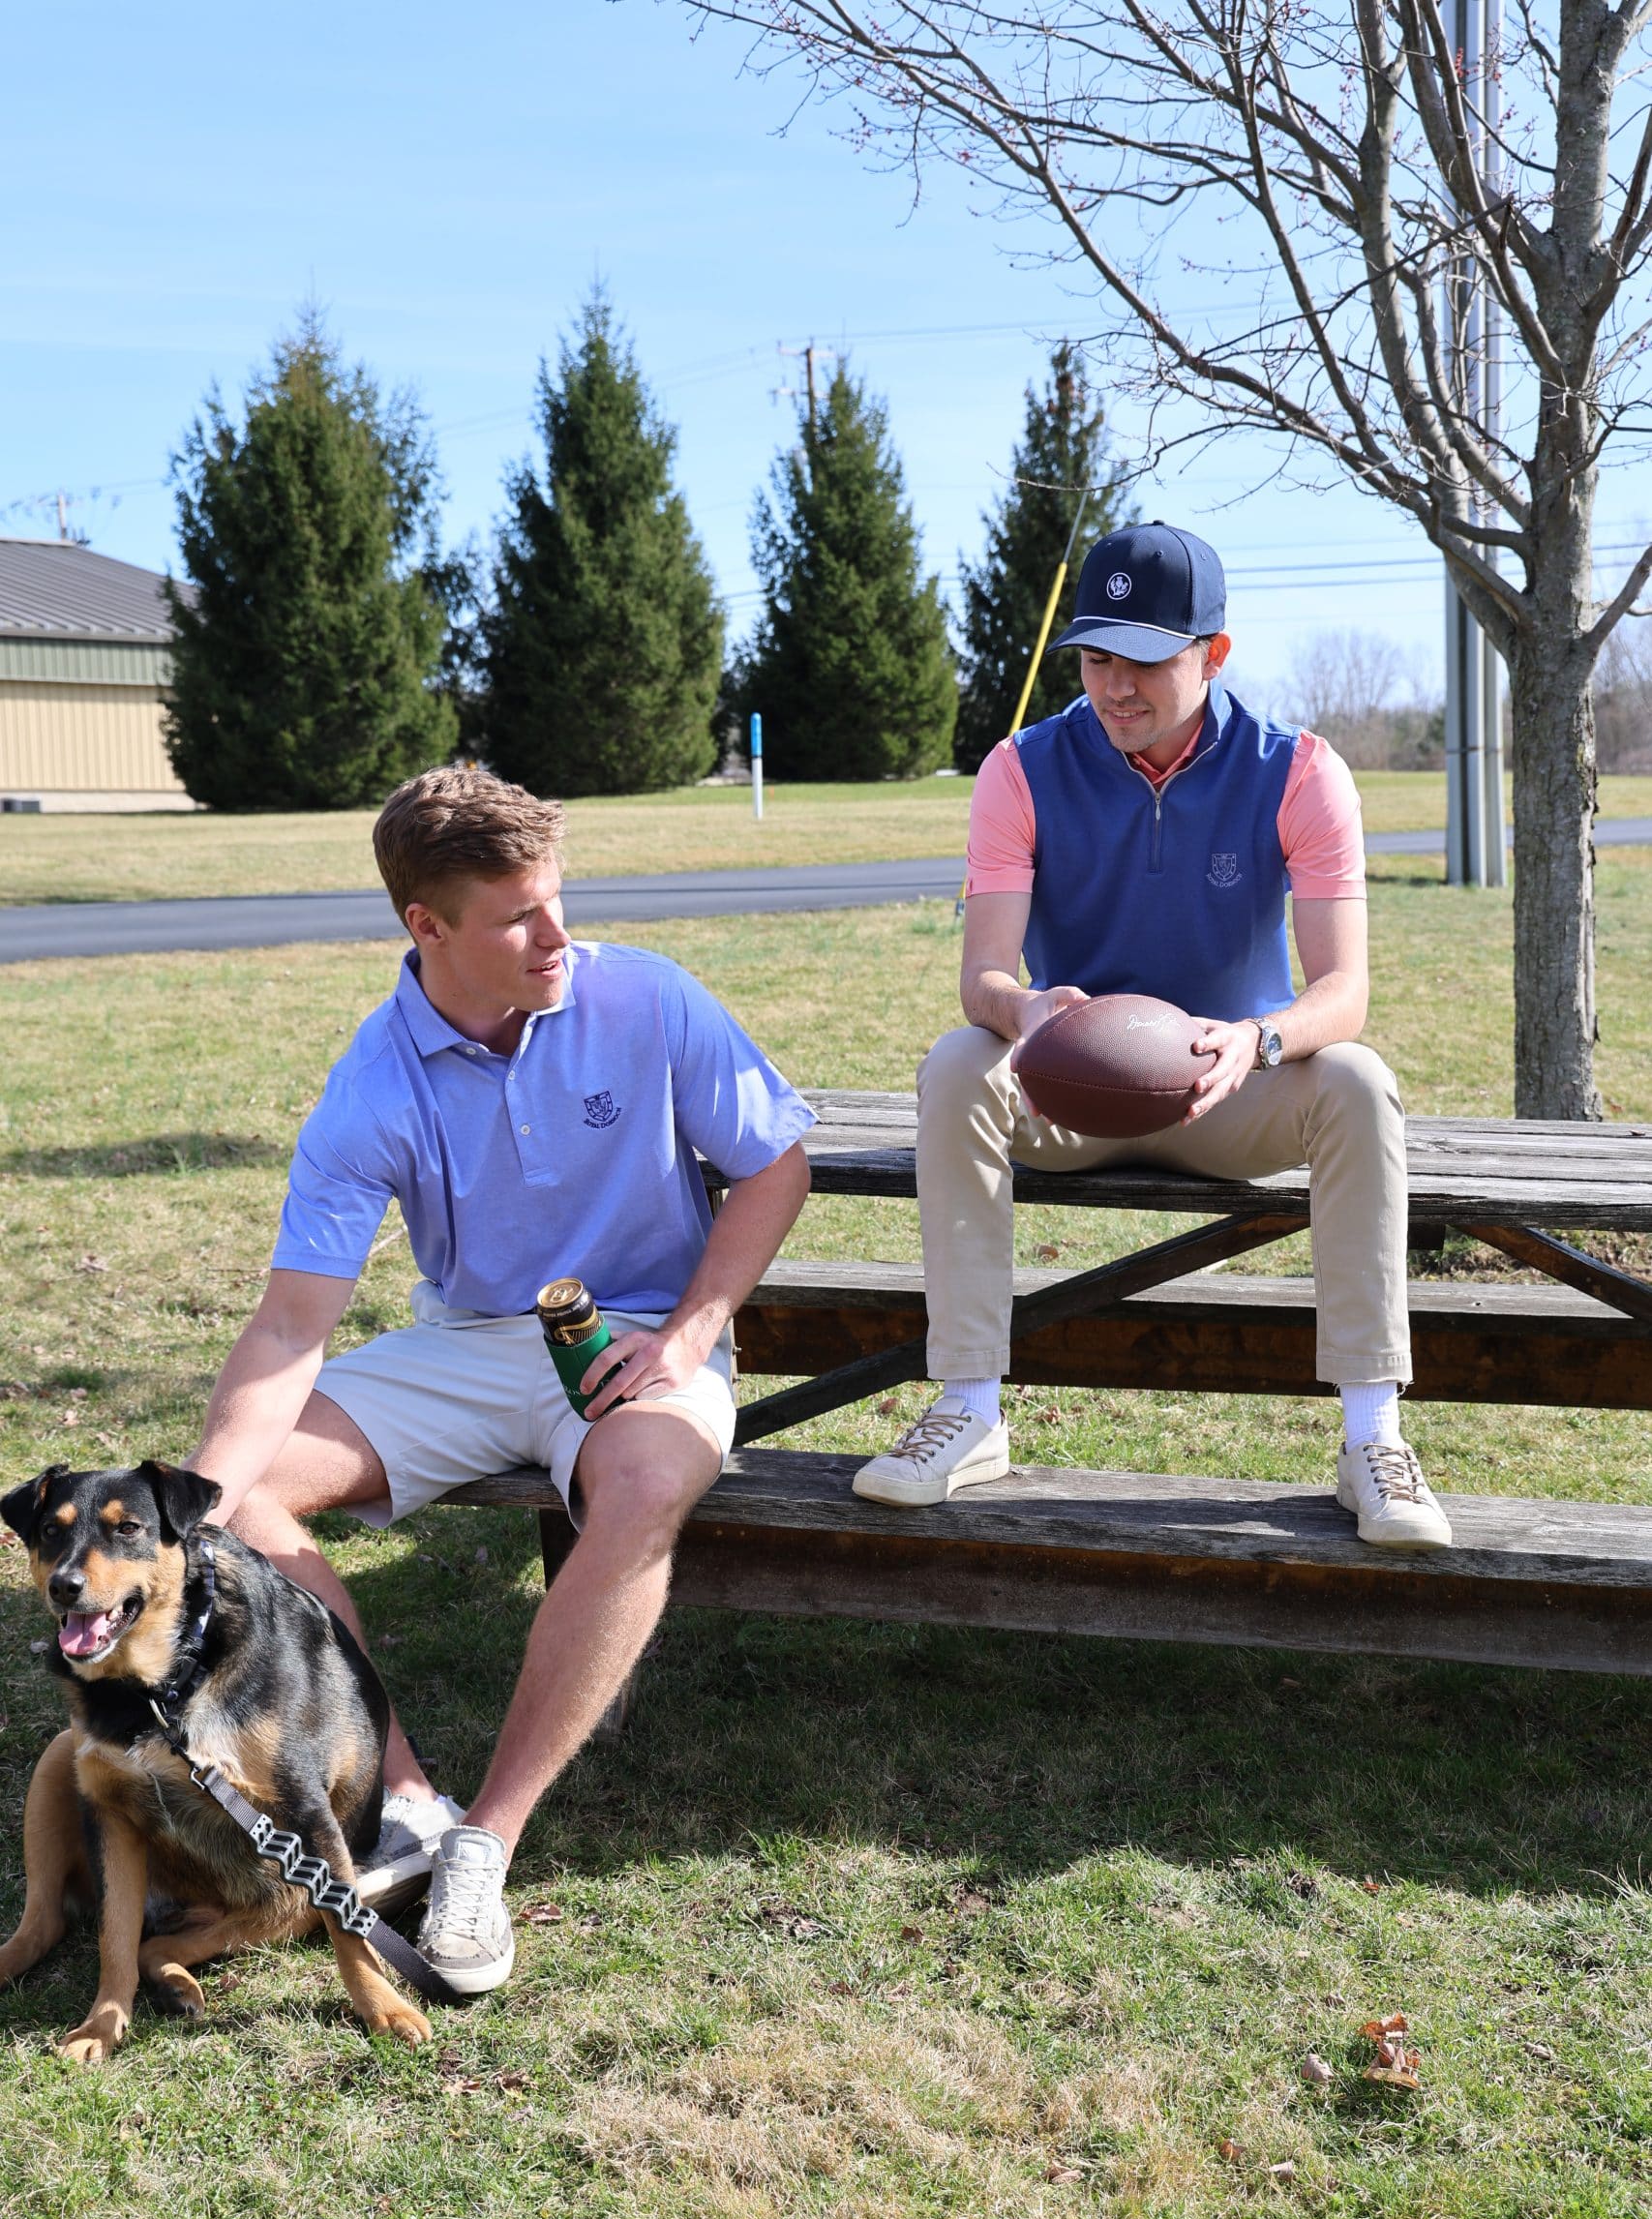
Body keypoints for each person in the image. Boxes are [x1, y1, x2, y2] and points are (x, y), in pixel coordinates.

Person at [191, 766, 814, 1992]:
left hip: (643, 1332)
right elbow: (289, 1325)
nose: (557, 934)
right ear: (427, 928)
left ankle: (490, 1838)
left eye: (558, 897)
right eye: (518, 915)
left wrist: (689, 1338)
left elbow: (776, 1164)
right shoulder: (373, 1081)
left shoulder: (647, 997)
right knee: (250, 1503)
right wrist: (196, 1496)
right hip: (474, 1337)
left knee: (644, 1487)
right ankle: (410, 1797)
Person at [854, 520, 1451, 1548]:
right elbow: (982, 977)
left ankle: (1372, 1437)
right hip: (1067, 1091)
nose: (1115, 686)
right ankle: (967, 1405)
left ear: (1214, 654)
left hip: (1231, 1092)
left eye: (1145, 662)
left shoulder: (1300, 772)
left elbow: (1344, 991)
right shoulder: (1021, 768)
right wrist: (1025, 1010)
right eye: (1095, 659)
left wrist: (1258, 1040)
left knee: (1355, 1078)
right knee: (959, 1063)